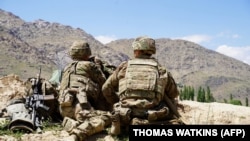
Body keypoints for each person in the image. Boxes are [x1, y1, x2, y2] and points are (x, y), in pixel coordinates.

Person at [102, 36, 183, 136]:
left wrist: (116, 101)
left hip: (125, 113)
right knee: (170, 108)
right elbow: (173, 93)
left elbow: (106, 88)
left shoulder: (124, 66)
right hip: (152, 114)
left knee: (119, 111)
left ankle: (124, 124)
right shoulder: (160, 69)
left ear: (137, 50)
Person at [58, 40, 113, 141]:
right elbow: (104, 83)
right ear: (87, 52)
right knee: (109, 117)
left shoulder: (66, 68)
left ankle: (72, 123)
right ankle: (76, 135)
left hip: (63, 110)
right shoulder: (89, 65)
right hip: (80, 108)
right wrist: (98, 65)